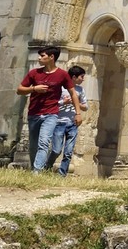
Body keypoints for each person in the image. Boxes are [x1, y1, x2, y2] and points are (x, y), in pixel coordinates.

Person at [17, 45, 79, 173]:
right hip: (34, 113)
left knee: (44, 142)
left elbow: (73, 93)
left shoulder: (62, 74)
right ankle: (35, 168)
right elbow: (19, 90)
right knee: (33, 145)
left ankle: (37, 172)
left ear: (52, 57)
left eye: (42, 56)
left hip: (51, 114)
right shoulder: (34, 73)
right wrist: (34, 88)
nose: (39, 58)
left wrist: (78, 113)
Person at [45, 65, 88, 176]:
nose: (83, 79)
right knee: (56, 150)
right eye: (81, 77)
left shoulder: (80, 90)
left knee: (68, 152)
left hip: (72, 123)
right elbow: (52, 104)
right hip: (59, 122)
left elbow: (85, 106)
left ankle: (62, 174)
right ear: (74, 77)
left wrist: (74, 102)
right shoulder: (61, 88)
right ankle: (47, 166)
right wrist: (63, 102)